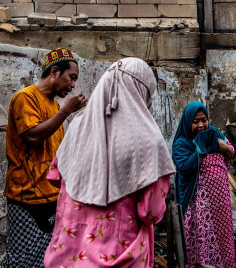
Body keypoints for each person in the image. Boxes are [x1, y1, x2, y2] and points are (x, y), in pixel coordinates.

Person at [43, 57, 176, 267]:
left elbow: (55, 177)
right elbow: (150, 212)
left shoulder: (77, 127)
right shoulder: (149, 141)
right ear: (143, 92)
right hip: (120, 256)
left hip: (65, 257)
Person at [3, 48, 87, 268]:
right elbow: (32, 136)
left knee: (45, 259)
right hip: (26, 197)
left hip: (51, 195)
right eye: (72, 77)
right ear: (55, 72)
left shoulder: (54, 105)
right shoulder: (25, 98)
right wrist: (65, 112)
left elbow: (57, 151)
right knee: (21, 260)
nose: (73, 85)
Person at [172, 102, 236, 268]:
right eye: (196, 121)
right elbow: (185, 167)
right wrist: (203, 146)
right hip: (199, 204)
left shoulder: (213, 132)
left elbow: (230, 150)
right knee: (203, 235)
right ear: (187, 122)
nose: (201, 125)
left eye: (204, 120)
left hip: (220, 201)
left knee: (222, 234)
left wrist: (220, 146)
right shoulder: (181, 144)